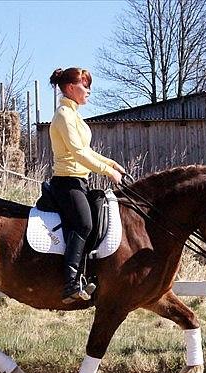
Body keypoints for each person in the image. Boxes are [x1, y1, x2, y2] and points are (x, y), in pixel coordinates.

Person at [48, 67, 125, 304]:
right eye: (85, 85)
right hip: (66, 182)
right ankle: (70, 282)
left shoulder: (75, 115)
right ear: (71, 88)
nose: (89, 90)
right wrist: (106, 172)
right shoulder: (63, 115)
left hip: (80, 181)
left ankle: (87, 271)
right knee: (84, 223)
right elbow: (78, 153)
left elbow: (87, 151)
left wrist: (110, 162)